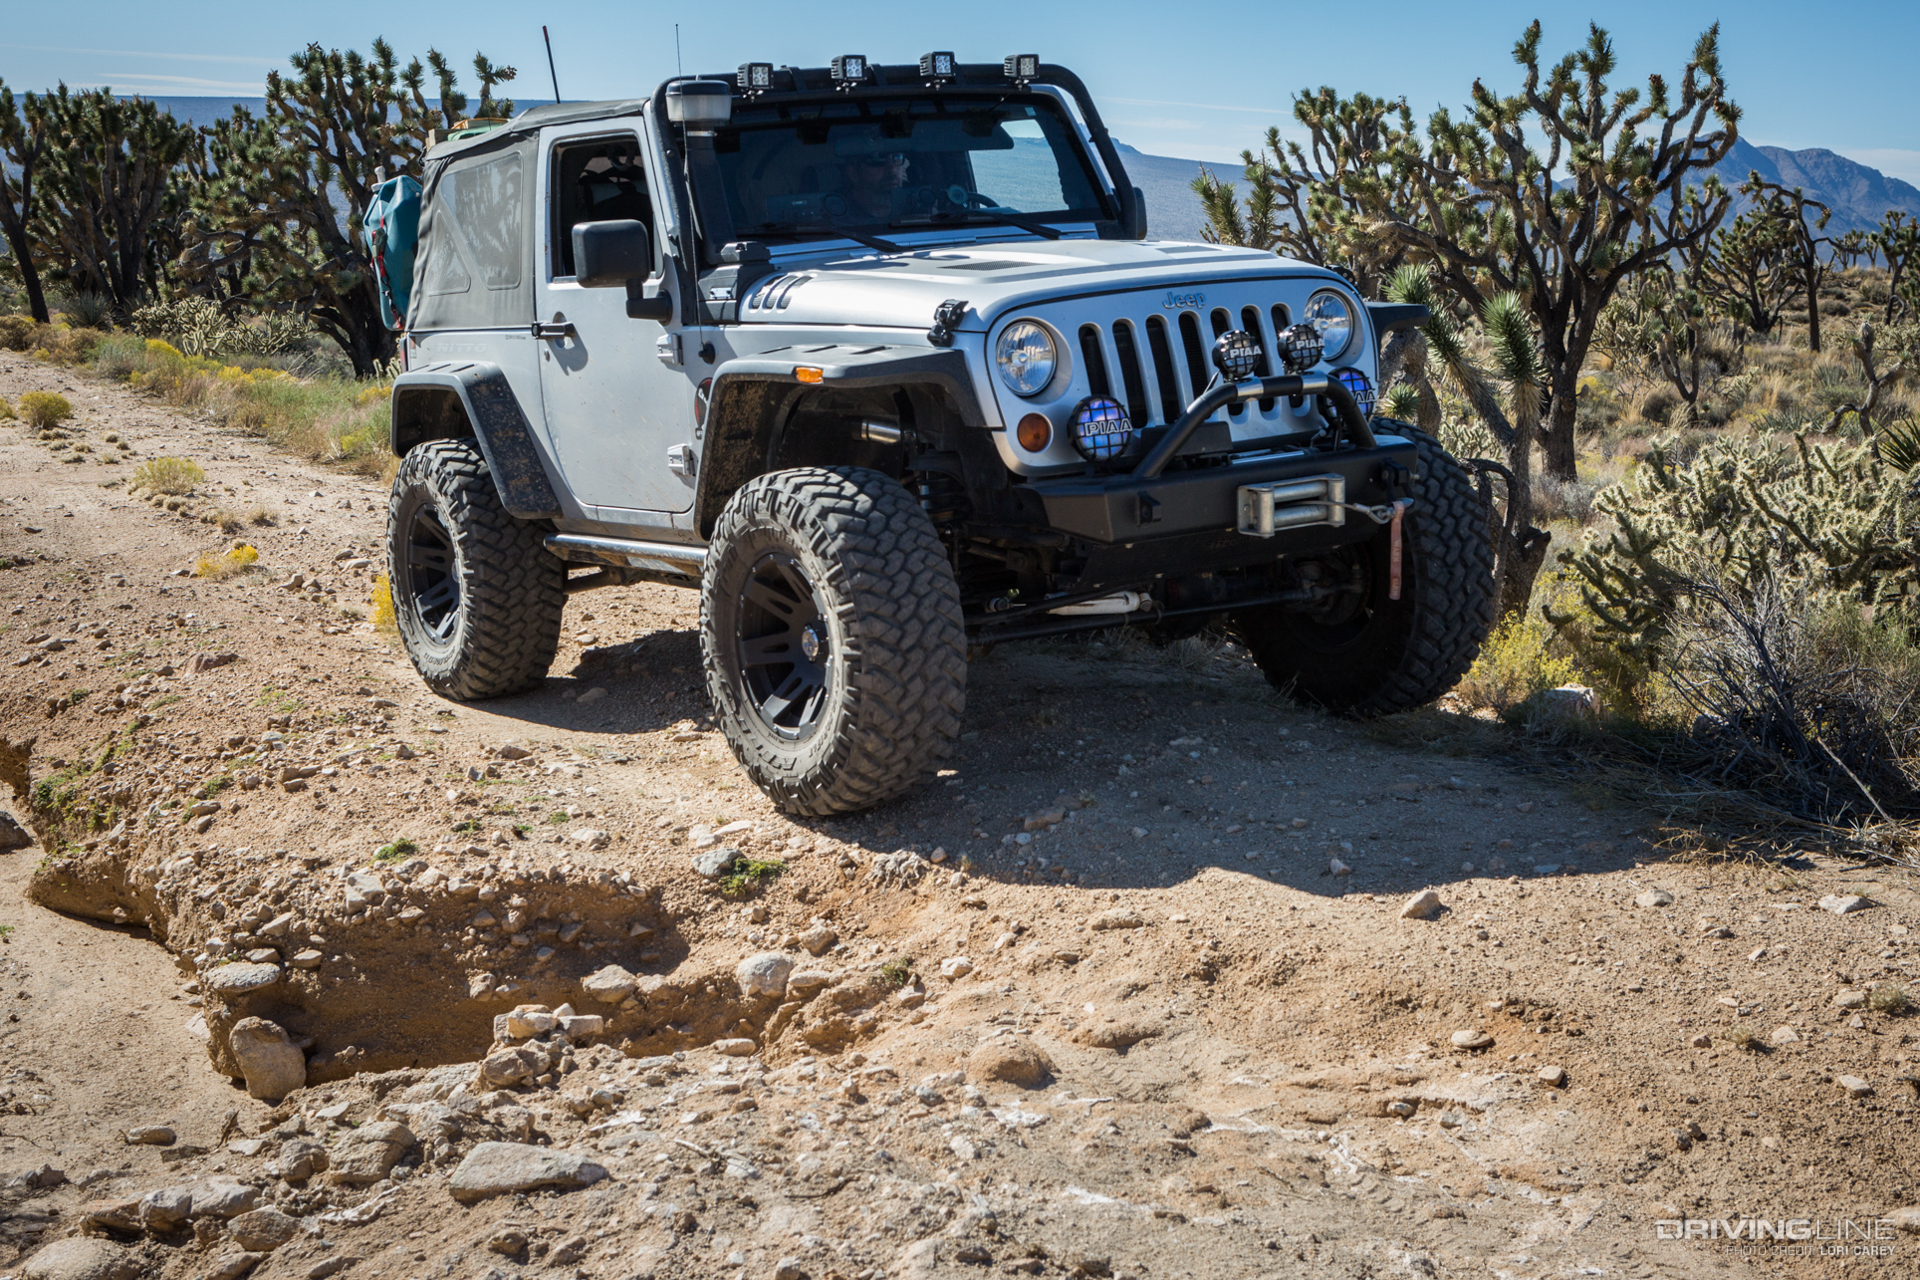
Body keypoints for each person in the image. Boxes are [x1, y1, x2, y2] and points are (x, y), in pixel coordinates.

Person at [836, 150, 909, 221]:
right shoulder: (836, 211)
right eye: (878, 161)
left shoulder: (912, 207)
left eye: (897, 158)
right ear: (853, 173)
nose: (893, 169)